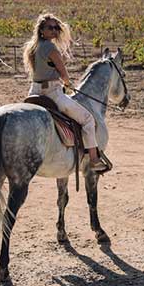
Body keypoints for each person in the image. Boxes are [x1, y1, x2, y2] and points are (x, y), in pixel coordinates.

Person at [22, 13, 108, 172]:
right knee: (88, 119)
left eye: (56, 27)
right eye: (50, 27)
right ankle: (94, 159)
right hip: (52, 93)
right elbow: (63, 71)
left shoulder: (32, 47)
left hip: (34, 91)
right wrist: (68, 84)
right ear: (42, 30)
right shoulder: (50, 47)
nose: (54, 30)